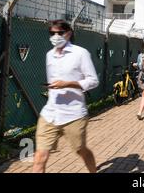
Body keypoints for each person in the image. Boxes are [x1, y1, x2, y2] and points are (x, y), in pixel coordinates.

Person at [33, 20, 99, 173]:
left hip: (73, 114)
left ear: (68, 33)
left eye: (59, 33)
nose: (56, 36)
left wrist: (68, 84)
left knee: (81, 150)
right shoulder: (49, 55)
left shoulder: (80, 53)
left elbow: (93, 81)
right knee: (39, 157)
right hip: (50, 113)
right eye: (52, 33)